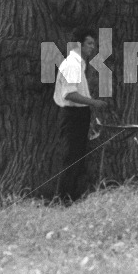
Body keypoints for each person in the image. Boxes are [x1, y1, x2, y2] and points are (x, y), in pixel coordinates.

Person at [54, 27, 108, 200]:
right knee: (71, 157)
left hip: (80, 114)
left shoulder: (80, 64)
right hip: (72, 115)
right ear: (79, 45)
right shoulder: (72, 64)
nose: (92, 48)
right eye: (89, 43)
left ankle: (72, 196)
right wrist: (94, 102)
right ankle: (62, 198)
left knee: (78, 156)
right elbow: (69, 94)